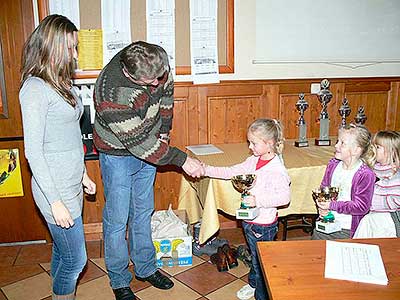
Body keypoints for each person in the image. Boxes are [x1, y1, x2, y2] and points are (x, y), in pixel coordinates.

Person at [93, 41, 204, 300]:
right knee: (118, 221)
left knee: (143, 212)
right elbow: (139, 143)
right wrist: (182, 160)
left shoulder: (157, 65)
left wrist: (164, 131)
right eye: (149, 82)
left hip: (151, 146)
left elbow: (165, 98)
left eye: (159, 78)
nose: (156, 85)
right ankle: (119, 280)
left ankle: (145, 268)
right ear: (130, 74)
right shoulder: (112, 92)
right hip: (117, 152)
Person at [19, 15, 96, 300]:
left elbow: (71, 135)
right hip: (53, 189)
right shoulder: (35, 89)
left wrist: (84, 173)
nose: (75, 55)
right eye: (70, 48)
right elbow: (33, 152)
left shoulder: (62, 84)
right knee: (76, 260)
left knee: (63, 252)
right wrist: (54, 201)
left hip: (70, 183)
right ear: (51, 47)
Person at [202, 119, 291, 300]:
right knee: (255, 257)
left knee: (261, 263)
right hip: (249, 222)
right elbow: (231, 171)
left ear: (270, 144)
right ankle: (253, 283)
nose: (250, 147)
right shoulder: (253, 161)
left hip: (264, 225)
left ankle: (261, 294)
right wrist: (205, 169)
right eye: (249, 142)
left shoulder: (277, 170)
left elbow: (285, 198)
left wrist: (258, 200)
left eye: (254, 143)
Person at [312, 123, 375, 240]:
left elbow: (362, 207)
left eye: (342, 143)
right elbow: (324, 188)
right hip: (327, 222)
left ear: (356, 150)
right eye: (337, 141)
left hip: (346, 229)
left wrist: (332, 205)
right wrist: (322, 206)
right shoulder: (333, 164)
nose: (336, 145)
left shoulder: (365, 174)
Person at [354, 130, 400, 238]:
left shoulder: (396, 176)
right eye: (373, 145)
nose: (373, 149)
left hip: (391, 220)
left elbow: (396, 201)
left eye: (378, 147)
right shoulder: (376, 170)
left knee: (368, 221)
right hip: (375, 214)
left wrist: (369, 201)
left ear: (391, 152)